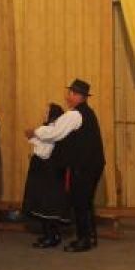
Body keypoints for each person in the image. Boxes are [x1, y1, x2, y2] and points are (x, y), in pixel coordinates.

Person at [25, 79, 105, 253]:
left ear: (79, 96)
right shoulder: (87, 113)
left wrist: (35, 132)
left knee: (81, 202)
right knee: (85, 202)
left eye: (71, 94)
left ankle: (84, 240)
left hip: (84, 167)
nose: (68, 97)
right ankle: (89, 237)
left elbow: (55, 132)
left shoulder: (75, 115)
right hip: (91, 165)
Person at [22, 103, 70, 248]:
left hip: (48, 173)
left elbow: (44, 152)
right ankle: (49, 235)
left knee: (47, 204)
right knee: (43, 203)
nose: (44, 114)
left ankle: (52, 236)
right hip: (43, 172)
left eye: (47, 112)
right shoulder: (47, 130)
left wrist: (34, 135)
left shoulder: (51, 130)